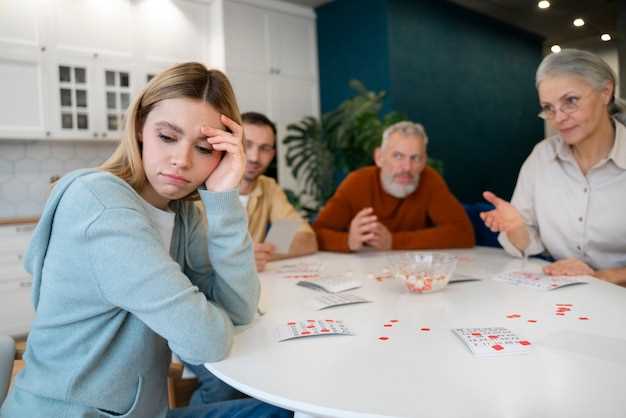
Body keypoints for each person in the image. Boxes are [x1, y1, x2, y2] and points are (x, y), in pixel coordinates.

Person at [1, 63, 291, 418]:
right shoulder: (99, 204)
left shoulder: (183, 214)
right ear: (140, 127)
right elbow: (206, 342)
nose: (181, 161)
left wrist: (223, 199)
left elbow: (240, 311)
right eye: (167, 137)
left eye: (203, 147)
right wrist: (205, 317)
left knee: (285, 412)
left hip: (144, 412)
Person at [481, 49, 626, 285]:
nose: (559, 118)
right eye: (549, 108)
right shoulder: (541, 157)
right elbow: (527, 240)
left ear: (605, 92)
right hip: (564, 294)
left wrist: (600, 277)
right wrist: (516, 227)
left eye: (571, 101)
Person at [313, 121, 475, 252]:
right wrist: (348, 241)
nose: (406, 167)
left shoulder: (429, 180)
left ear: (424, 161)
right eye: (398, 156)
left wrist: (393, 242)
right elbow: (316, 233)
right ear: (379, 157)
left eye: (415, 158)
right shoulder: (357, 182)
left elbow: (464, 233)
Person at [238, 112, 317, 271]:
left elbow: (307, 240)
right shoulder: (199, 189)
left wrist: (258, 255)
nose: (254, 157)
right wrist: (237, 258)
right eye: (247, 145)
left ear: (272, 154)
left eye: (264, 148)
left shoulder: (268, 187)